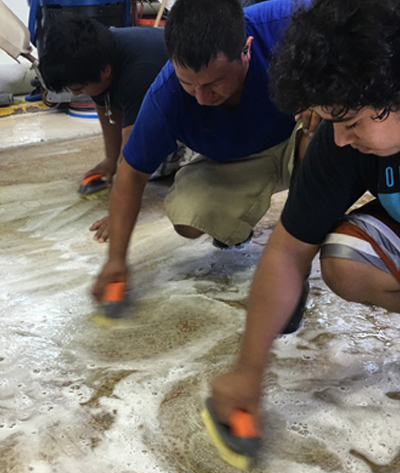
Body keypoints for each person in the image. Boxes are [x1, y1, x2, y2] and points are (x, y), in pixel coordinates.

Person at [210, 0, 400, 427]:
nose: (341, 137)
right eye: (332, 119)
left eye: (351, 122)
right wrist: (248, 370)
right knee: (345, 259)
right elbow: (285, 253)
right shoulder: (340, 141)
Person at [92, 0, 318, 306]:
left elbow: (365, 19)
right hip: (239, 157)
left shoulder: (288, 21)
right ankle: (235, 228)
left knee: (321, 130)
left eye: (214, 82)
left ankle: (301, 256)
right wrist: (116, 260)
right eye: (189, 83)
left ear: (246, 49)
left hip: (298, 130)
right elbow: (131, 174)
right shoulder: (166, 95)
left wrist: (327, 89)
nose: (201, 97)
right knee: (189, 215)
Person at [39, 15, 183, 191]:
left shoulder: (139, 73)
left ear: (105, 71)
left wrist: (115, 211)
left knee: (150, 170)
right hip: (158, 99)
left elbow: (133, 150)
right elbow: (106, 107)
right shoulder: (92, 57)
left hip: (201, 108)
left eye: (78, 88)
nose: (75, 93)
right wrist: (110, 160)